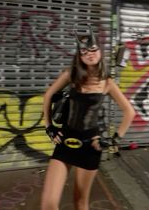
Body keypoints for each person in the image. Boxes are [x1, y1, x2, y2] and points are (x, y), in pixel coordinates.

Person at [41, 25, 135, 210]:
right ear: (79, 56)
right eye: (84, 51)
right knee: (48, 204)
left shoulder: (107, 82)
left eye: (93, 49)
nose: (90, 54)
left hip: (90, 146)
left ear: (100, 52)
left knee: (80, 202)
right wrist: (49, 127)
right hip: (65, 142)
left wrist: (113, 139)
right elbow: (48, 95)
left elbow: (129, 112)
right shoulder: (71, 75)